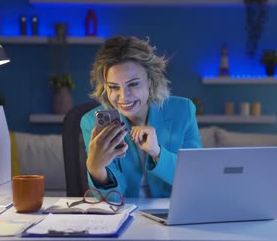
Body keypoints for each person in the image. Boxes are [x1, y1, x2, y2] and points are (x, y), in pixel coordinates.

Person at [80, 35, 201, 199]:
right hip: (125, 216)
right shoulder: (90, 122)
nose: (124, 97)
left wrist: (157, 152)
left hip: (171, 216)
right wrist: (96, 169)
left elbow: (195, 180)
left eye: (133, 84)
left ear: (150, 81)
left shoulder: (183, 111)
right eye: (114, 87)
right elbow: (114, 200)